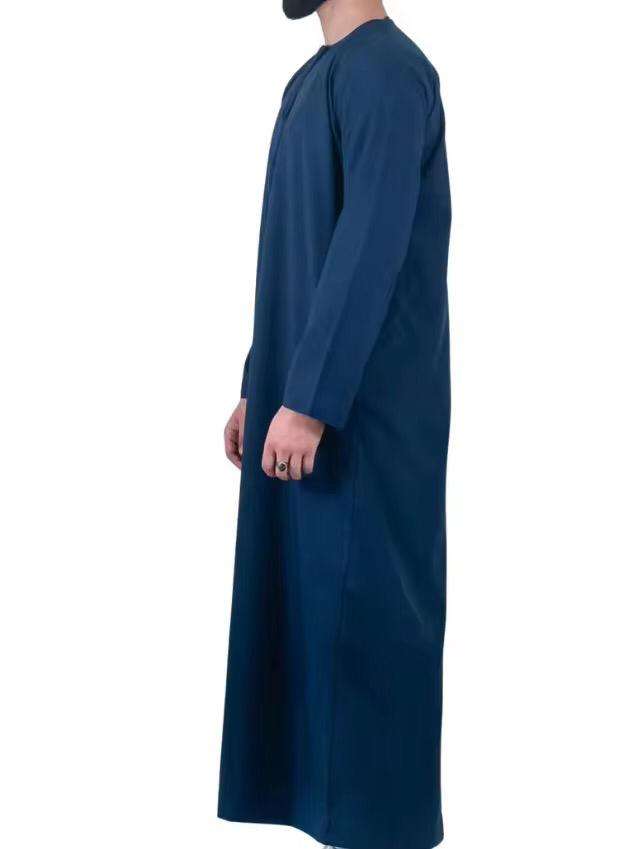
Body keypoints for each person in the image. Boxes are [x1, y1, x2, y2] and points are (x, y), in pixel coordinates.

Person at [219, 1, 451, 847]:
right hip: (301, 406)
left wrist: (311, 401)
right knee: (304, 625)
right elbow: (295, 251)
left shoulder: (388, 72)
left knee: (366, 630)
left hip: (366, 419)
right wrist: (262, 384)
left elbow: (369, 244)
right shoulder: (310, 82)